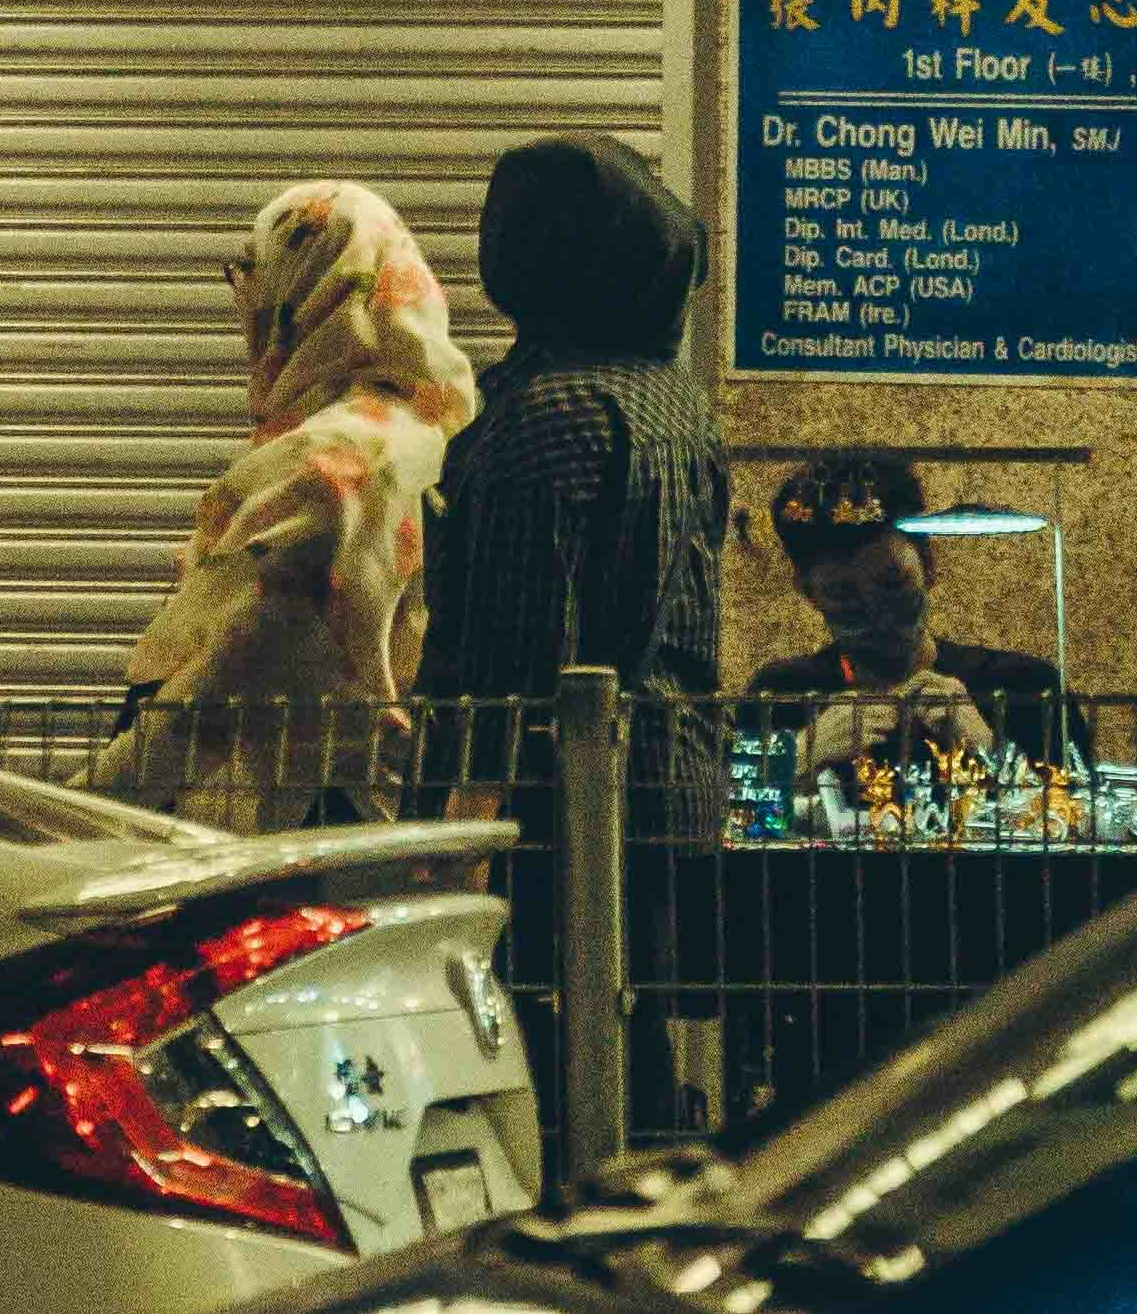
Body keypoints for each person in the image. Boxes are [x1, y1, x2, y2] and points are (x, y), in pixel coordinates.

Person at [95, 180, 476, 827]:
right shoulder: (435, 434)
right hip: (388, 804)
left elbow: (223, 692)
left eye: (253, 277)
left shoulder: (333, 464)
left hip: (301, 825)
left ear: (307, 289)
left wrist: (83, 809)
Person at [417, 132, 726, 719]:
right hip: (671, 766)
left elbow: (516, 657)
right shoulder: (673, 396)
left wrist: (473, 796)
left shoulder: (553, 416)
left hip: (569, 792)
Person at [744, 447, 1069, 819]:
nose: (876, 612)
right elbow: (730, 822)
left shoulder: (1024, 687)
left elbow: (1082, 825)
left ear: (929, 566)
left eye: (893, 583)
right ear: (808, 593)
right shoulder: (781, 694)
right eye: (843, 594)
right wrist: (803, 754)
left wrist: (987, 748)